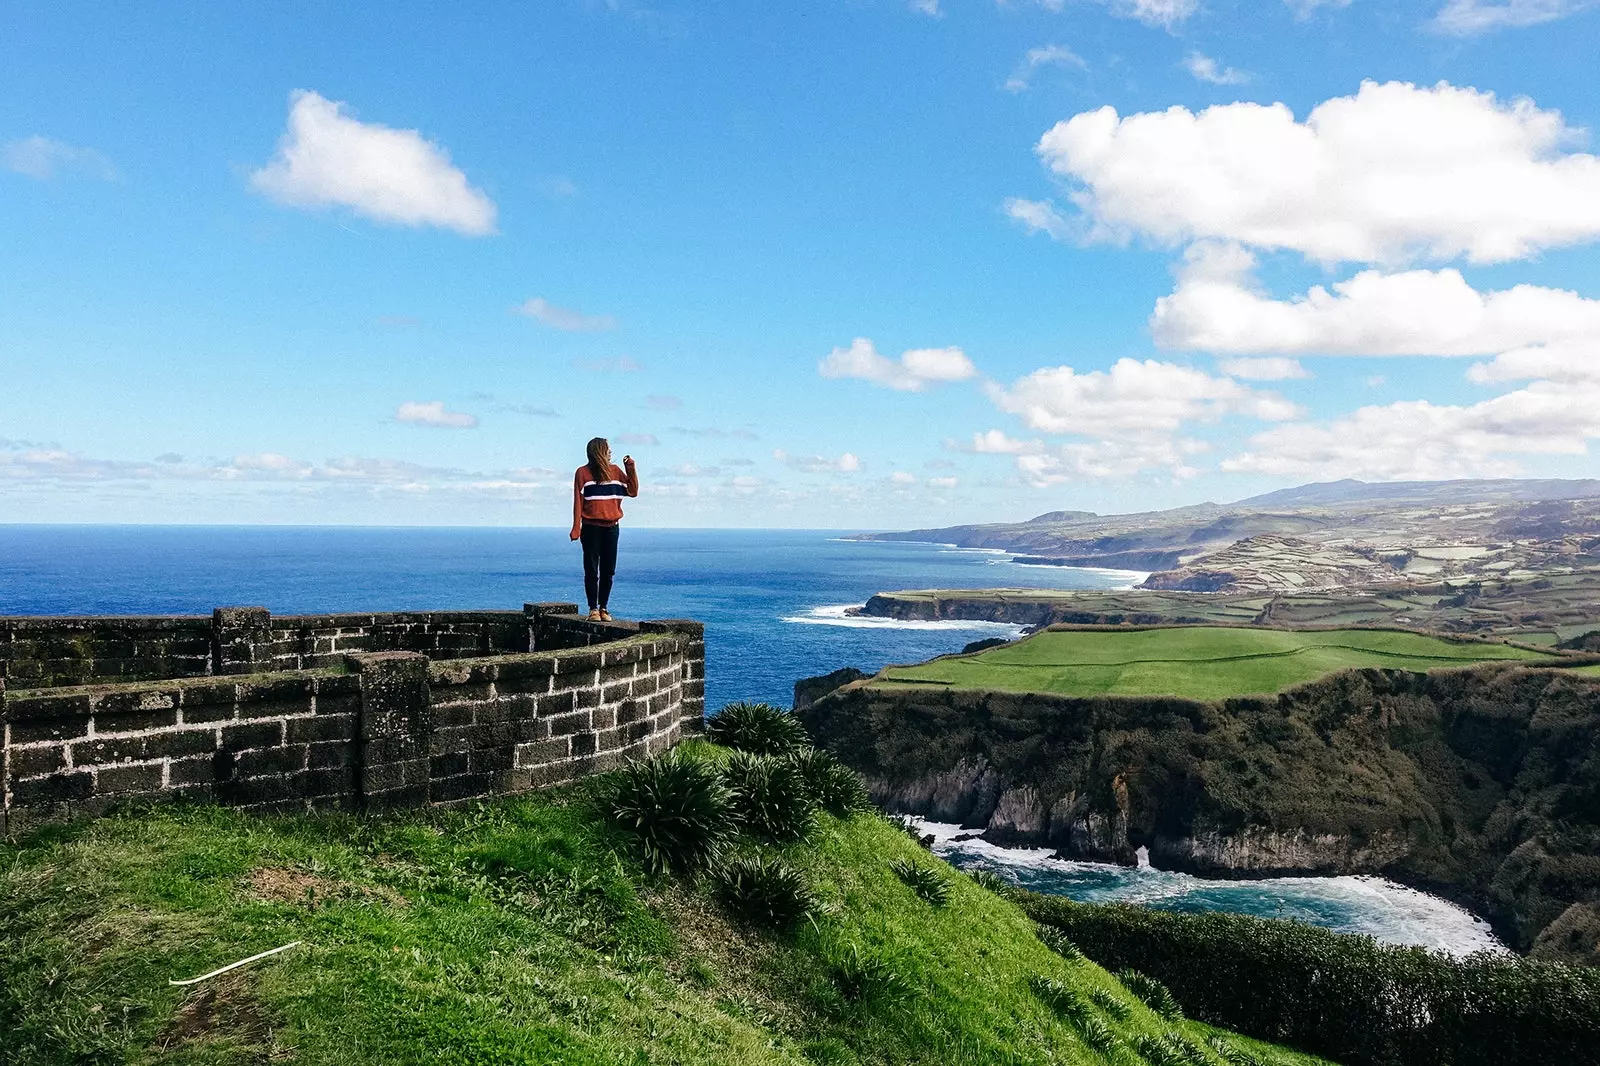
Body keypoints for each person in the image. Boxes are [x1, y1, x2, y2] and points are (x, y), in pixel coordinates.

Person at [570, 437, 639, 621]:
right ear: (600, 451)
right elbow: (578, 502)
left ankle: (603, 608)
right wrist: (576, 527)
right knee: (591, 569)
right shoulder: (582, 473)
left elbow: (632, 491)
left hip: (612, 528)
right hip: (591, 528)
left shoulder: (615, 472)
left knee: (608, 570)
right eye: (608, 449)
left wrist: (630, 467)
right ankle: (593, 609)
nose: (610, 452)